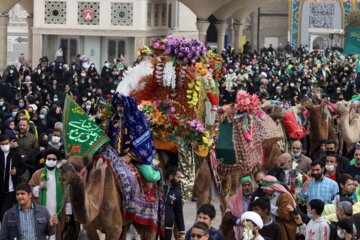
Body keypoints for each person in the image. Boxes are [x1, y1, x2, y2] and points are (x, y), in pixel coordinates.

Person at [29, 147, 72, 240]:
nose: (51, 161)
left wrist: (68, 213)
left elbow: (67, 194)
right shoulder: (38, 174)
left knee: (56, 233)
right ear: (44, 160)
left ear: (57, 161)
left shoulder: (62, 174)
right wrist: (39, 187)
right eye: (49, 159)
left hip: (57, 210)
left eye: (53, 159)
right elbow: (30, 190)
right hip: (41, 208)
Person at [260, 175, 297, 240]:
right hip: (269, 229)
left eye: (265, 189)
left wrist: (268, 205)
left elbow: (286, 214)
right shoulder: (267, 196)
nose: (264, 191)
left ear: (272, 187)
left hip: (281, 230)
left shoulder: (284, 197)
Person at [0, 134, 26, 222]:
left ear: (10, 143)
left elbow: (23, 168)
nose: (5, 146)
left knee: (5, 212)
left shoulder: (16, 155)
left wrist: (16, 171)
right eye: (2, 144)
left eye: (6, 143)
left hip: (10, 189)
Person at [163, 166, 185, 240]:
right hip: (155, 224)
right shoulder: (160, 186)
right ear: (171, 176)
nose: (179, 180)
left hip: (168, 227)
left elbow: (179, 212)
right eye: (178, 177)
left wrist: (182, 230)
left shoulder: (178, 193)